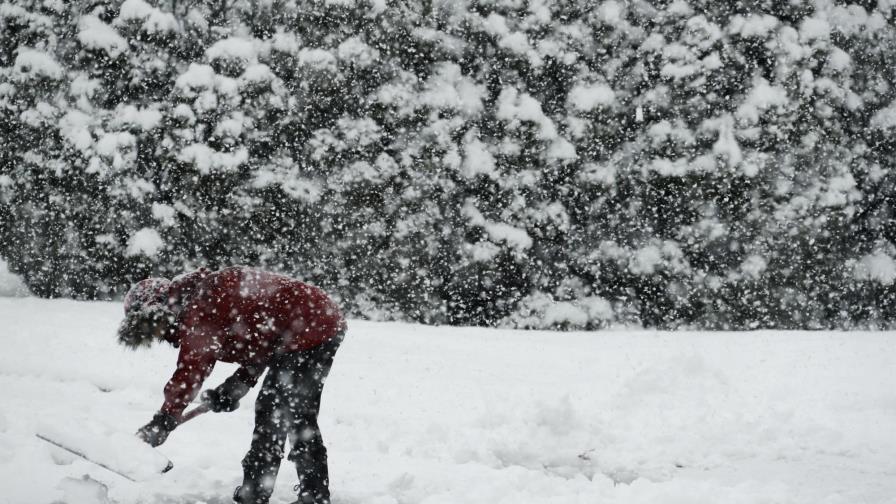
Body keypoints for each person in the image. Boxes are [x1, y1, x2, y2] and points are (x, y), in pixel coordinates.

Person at [118, 266, 346, 504]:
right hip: (311, 324)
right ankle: (296, 492)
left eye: (157, 329)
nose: (162, 336)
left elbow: (192, 369)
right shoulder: (203, 298)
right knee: (288, 411)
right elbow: (262, 343)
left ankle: (267, 494)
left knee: (277, 410)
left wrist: (165, 418)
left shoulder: (201, 304)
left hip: (313, 325)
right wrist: (234, 387)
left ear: (159, 310)